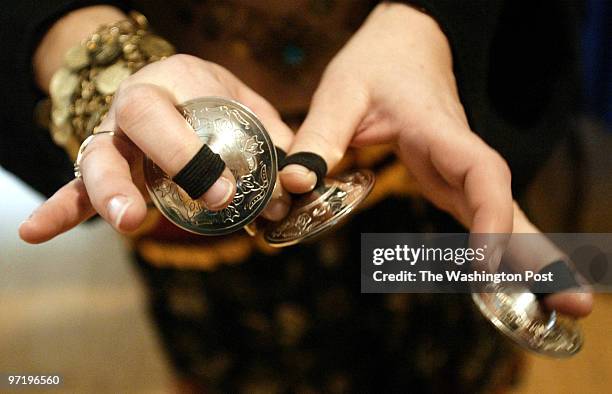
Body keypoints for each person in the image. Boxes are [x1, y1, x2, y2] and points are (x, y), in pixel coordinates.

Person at [1, 1, 593, 392]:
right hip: (190, 156)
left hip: (416, 135)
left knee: (448, 360)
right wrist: (94, 56)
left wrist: (428, 20)